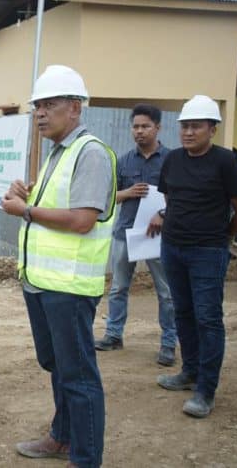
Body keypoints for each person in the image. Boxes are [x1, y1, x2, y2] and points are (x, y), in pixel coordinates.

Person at [2, 65, 116, 467]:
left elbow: (83, 220)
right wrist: (27, 193)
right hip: (43, 283)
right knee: (58, 366)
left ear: (76, 107)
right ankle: (63, 436)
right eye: (37, 107)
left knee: (79, 376)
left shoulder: (91, 153)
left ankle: (85, 458)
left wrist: (26, 210)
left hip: (68, 286)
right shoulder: (59, 152)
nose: (40, 114)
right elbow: (57, 205)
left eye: (50, 105)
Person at [151, 95, 237, 418]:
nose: (188, 132)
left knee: (208, 318)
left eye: (196, 126)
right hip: (173, 248)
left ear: (212, 129)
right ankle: (189, 371)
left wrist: (223, 236)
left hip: (208, 251)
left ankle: (206, 390)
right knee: (182, 312)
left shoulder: (226, 161)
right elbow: (171, 198)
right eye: (184, 126)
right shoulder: (173, 160)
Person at [94, 104, 176, 366]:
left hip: (159, 236)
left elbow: (182, 197)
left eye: (145, 126)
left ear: (158, 128)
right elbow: (107, 198)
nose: (139, 131)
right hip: (125, 234)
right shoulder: (124, 160)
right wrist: (127, 193)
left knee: (166, 292)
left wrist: (163, 214)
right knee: (118, 288)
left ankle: (168, 344)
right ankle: (114, 335)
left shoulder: (172, 160)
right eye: (136, 127)